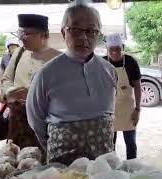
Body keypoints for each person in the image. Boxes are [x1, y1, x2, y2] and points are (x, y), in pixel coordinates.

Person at [26, 1, 117, 165]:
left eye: (91, 31)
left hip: (103, 163)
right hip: (62, 164)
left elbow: (109, 114)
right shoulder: (46, 74)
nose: (84, 37)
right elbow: (35, 120)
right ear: (63, 32)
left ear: (98, 35)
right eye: (75, 29)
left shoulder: (109, 70)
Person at [0, 14, 61, 148]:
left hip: (44, 124)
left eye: (26, 33)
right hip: (17, 122)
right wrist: (10, 91)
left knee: (42, 164)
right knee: (15, 163)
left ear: (43, 35)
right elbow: (6, 79)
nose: (21, 38)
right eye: (20, 33)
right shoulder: (19, 53)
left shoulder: (58, 59)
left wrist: (35, 96)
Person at [103, 33, 141, 160]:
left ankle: (132, 170)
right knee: (109, 146)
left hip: (128, 109)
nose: (114, 52)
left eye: (117, 49)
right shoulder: (102, 63)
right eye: (111, 50)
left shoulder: (131, 62)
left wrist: (137, 109)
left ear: (122, 47)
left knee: (131, 144)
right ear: (107, 49)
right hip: (108, 111)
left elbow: (138, 86)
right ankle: (112, 172)